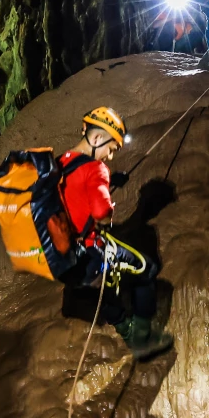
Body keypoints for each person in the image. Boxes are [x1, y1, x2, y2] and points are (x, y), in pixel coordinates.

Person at [56, 105, 171, 358]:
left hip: (62, 257)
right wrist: (105, 206)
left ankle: (122, 323)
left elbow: (75, 194)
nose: (109, 156)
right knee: (146, 268)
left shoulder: (60, 163)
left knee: (101, 288)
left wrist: (109, 181)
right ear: (96, 138)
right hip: (88, 255)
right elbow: (101, 212)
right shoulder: (95, 170)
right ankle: (141, 339)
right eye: (110, 149)